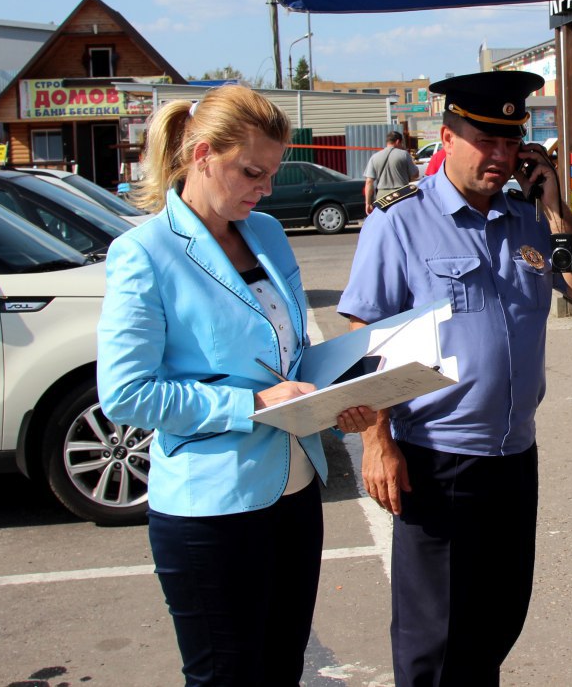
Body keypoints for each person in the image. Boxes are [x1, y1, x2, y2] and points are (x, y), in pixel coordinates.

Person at [338, 70, 572, 685]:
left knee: (496, 623)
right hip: (437, 461)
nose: (499, 156)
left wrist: (556, 205)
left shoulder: (529, 218)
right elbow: (364, 337)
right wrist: (376, 440)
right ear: (447, 136)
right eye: (485, 141)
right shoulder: (401, 219)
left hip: (514, 457)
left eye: (511, 143)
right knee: (433, 644)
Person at [97, 85, 373, 686]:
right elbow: (126, 393)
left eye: (272, 175)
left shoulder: (267, 232)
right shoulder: (143, 253)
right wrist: (251, 404)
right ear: (199, 154)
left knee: (281, 671)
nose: (264, 189)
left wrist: (339, 395)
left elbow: (288, 354)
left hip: (296, 493)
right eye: (251, 172)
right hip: (211, 510)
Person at [364, 130, 419, 212]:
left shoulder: (374, 157)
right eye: (401, 143)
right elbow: (415, 174)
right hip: (401, 194)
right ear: (397, 141)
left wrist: (368, 203)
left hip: (382, 198)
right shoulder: (404, 154)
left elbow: (369, 182)